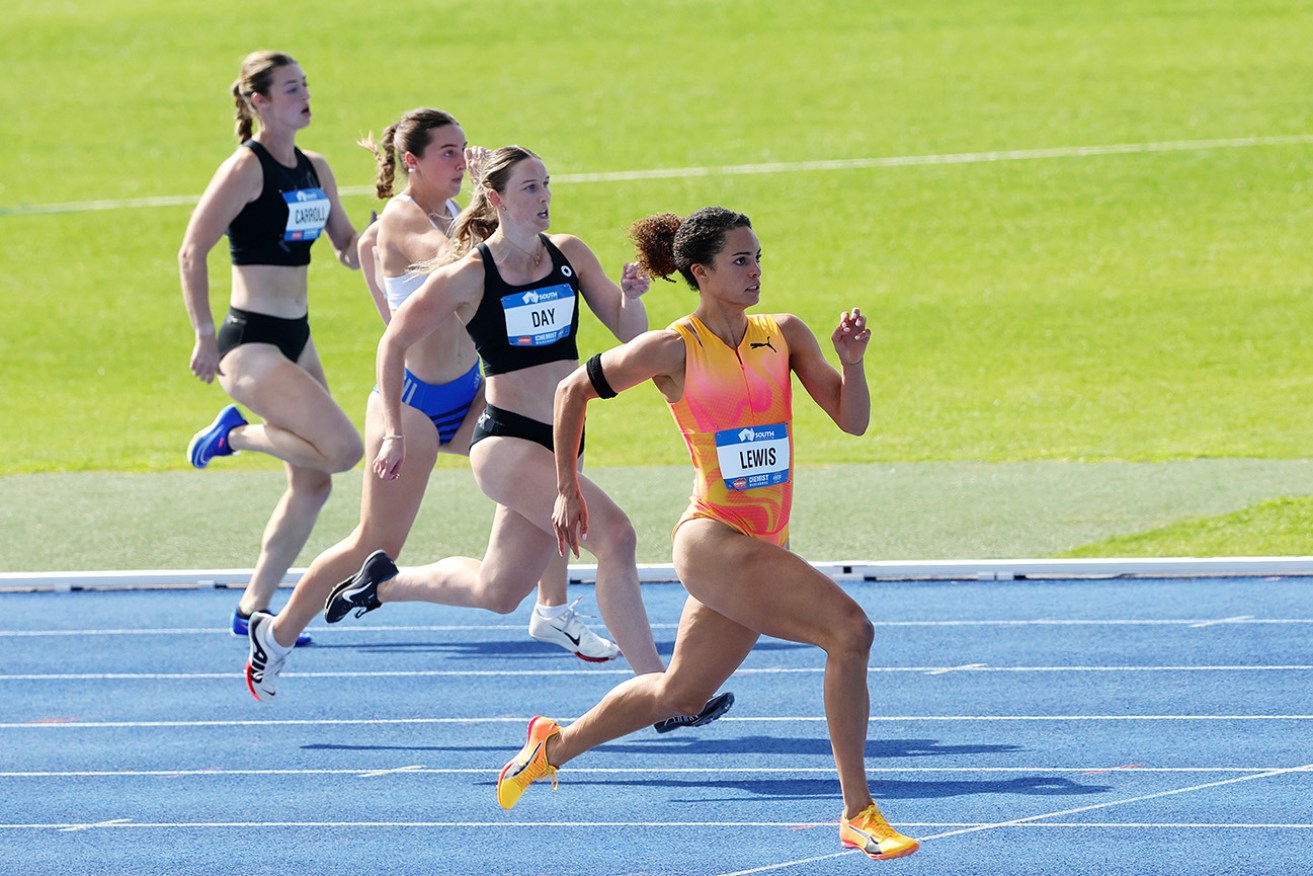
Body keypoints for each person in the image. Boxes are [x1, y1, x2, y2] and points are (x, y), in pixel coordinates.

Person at [494, 207, 919, 861]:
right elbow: (570, 392)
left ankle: (549, 747)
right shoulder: (671, 348)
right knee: (850, 632)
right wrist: (565, 488)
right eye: (740, 260)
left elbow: (850, 420)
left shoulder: (784, 334)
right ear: (701, 272)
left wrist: (851, 363)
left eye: (756, 258)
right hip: (712, 539)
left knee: (680, 693)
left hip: (761, 542)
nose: (755, 271)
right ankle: (858, 812)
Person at [306, 146, 732, 733]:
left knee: (499, 589)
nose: (545, 198)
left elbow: (628, 336)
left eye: (547, 185)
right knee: (615, 534)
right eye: (530, 188)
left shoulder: (571, 253)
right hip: (505, 443)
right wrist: (395, 432)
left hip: (561, 439)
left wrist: (632, 299)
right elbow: (393, 343)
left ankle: (383, 583)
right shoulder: (469, 275)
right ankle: (662, 694)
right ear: (497, 199)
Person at [243, 111, 615, 702]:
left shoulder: (447, 212)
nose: (461, 160)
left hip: (469, 393)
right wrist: (488, 192)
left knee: (543, 459)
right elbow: (455, 259)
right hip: (412, 408)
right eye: (448, 152)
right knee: (374, 542)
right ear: (411, 162)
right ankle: (278, 632)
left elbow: (386, 254)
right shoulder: (404, 218)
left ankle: (553, 607)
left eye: (466, 149)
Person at [178, 50, 364, 646]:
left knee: (313, 482)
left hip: (297, 336)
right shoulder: (245, 168)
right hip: (249, 340)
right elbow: (191, 251)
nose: (303, 96)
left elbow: (345, 246)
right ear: (258, 102)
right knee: (340, 451)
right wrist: (204, 334)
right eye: (289, 89)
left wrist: (409, 244)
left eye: (305, 85)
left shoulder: (315, 167)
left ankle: (252, 607)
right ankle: (231, 435)